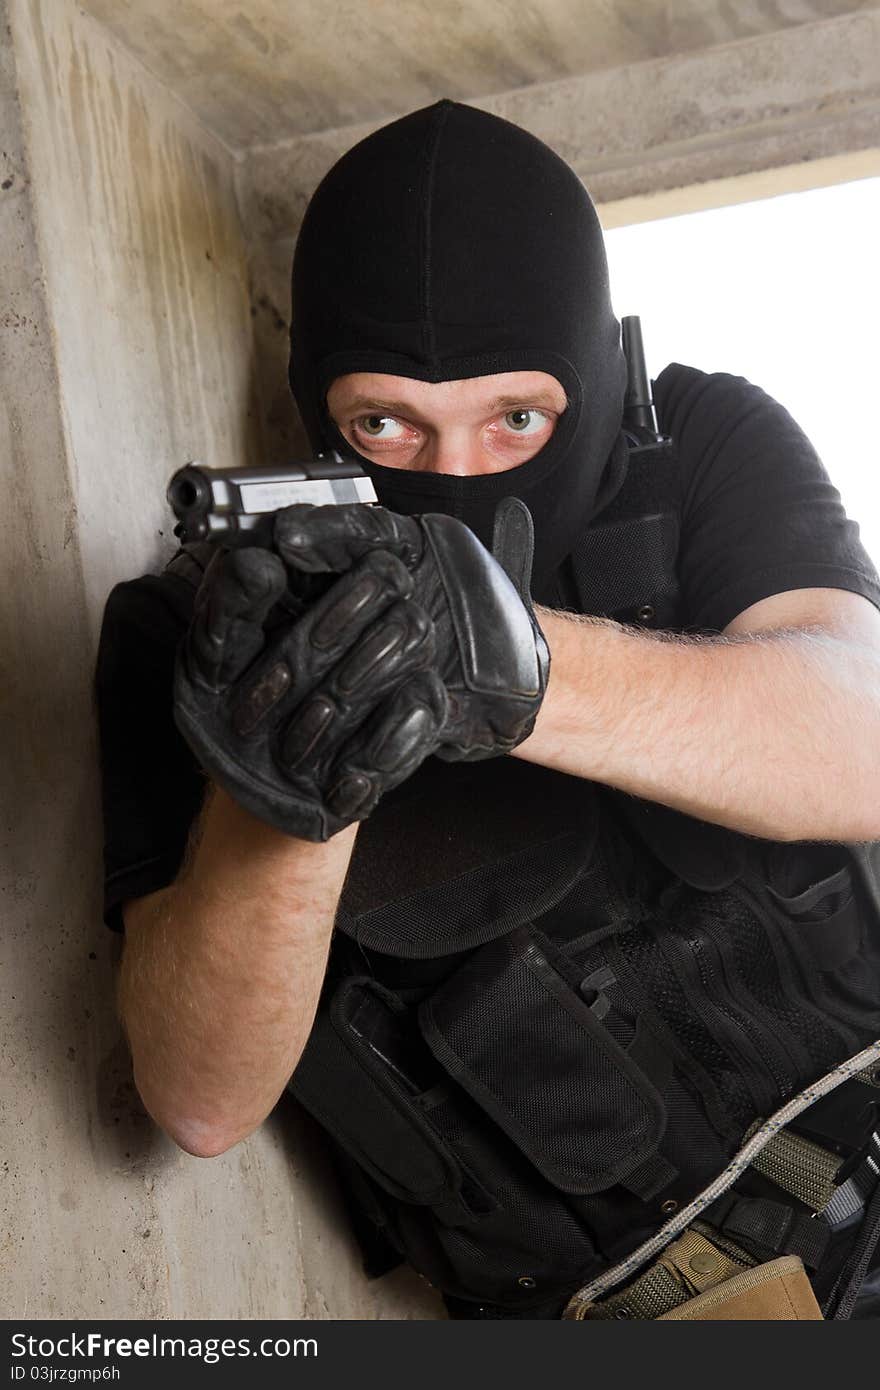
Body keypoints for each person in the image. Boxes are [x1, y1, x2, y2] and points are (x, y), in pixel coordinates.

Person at [96, 100, 880, 1320]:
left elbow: (858, 737)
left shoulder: (704, 442)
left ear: (591, 374)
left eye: (518, 419)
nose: (453, 474)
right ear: (317, 409)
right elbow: (197, 1100)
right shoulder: (197, 633)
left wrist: (512, 665)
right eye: (385, 422)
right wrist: (287, 797)